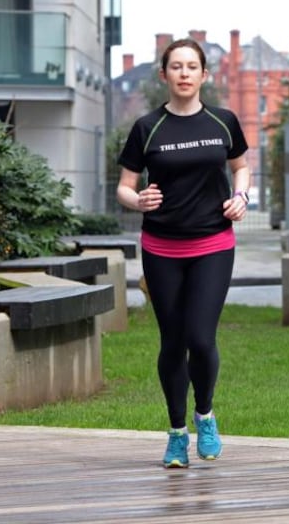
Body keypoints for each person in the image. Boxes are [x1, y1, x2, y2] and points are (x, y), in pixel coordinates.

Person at [116, 38, 250, 468]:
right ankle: (177, 433)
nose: (185, 73)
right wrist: (136, 200)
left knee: (200, 338)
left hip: (213, 243)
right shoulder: (147, 127)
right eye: (177, 66)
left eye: (193, 66)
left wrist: (242, 196)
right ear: (164, 75)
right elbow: (124, 185)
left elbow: (241, 166)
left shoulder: (223, 122)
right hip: (161, 248)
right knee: (172, 342)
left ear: (204, 75)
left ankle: (205, 414)